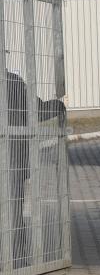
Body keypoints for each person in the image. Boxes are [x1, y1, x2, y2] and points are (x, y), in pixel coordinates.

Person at [6, 69, 66, 268]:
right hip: (11, 162)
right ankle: (15, 262)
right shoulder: (13, 82)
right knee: (12, 214)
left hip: (12, 161)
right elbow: (37, 110)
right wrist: (58, 106)